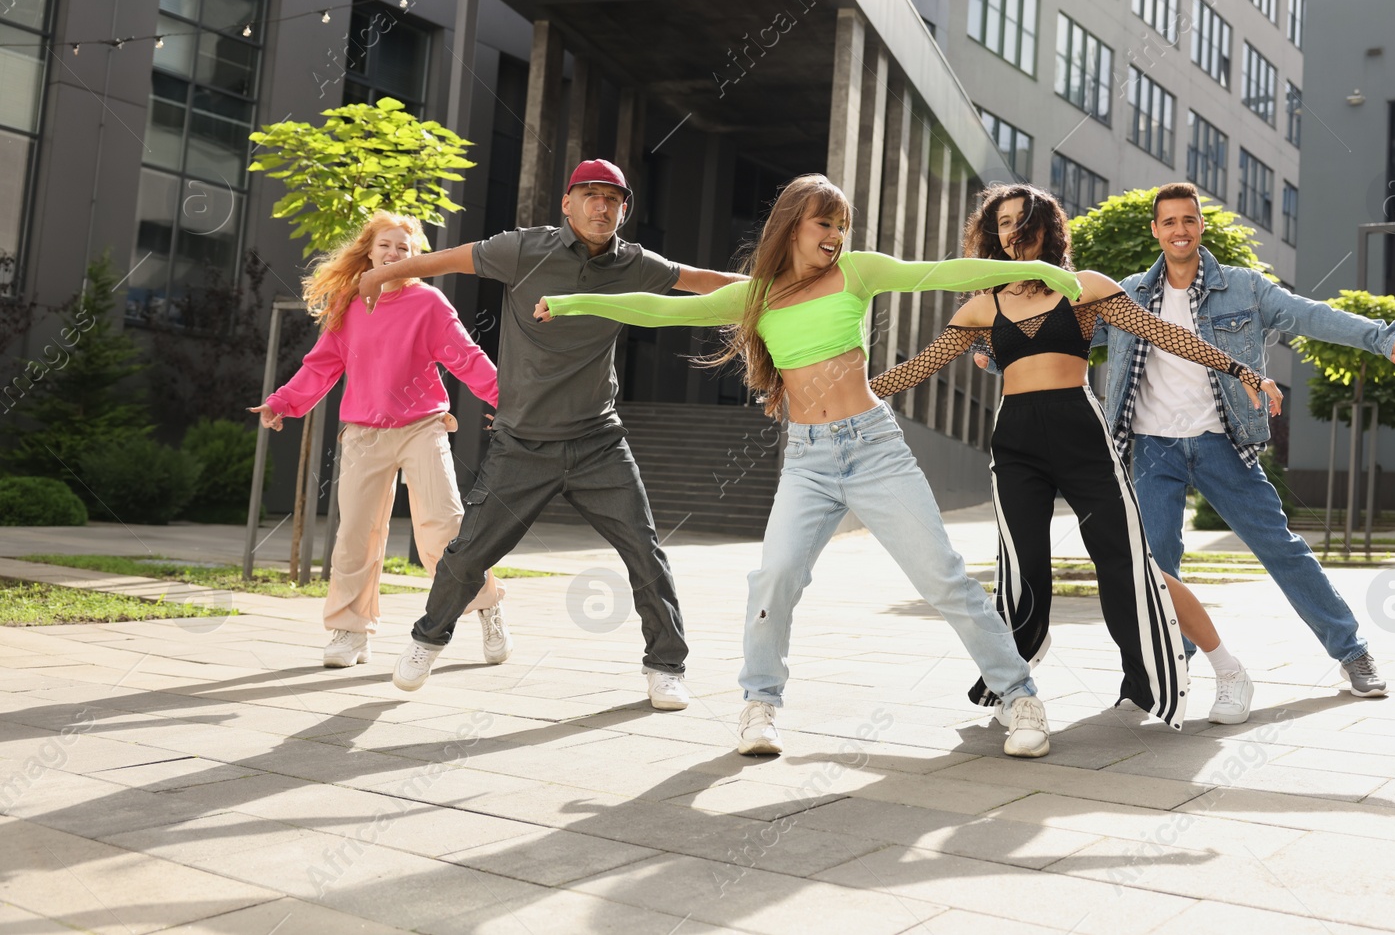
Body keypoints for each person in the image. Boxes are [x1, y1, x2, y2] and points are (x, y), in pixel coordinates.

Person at [536, 174, 1089, 760]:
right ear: (793, 225)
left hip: (874, 449)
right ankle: (760, 705)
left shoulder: (859, 272)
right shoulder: (757, 295)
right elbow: (657, 309)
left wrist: (1047, 274)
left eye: (842, 225)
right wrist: (573, 302)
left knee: (943, 579)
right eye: (824, 223)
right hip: (808, 459)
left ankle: (1018, 694)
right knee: (774, 579)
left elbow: (945, 272)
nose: (835, 235)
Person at [870, 184, 1279, 727]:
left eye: (1023, 219)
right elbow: (915, 369)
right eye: (1004, 222)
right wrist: (831, 397)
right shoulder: (981, 305)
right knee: (1021, 571)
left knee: (1130, 561)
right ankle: (1017, 687)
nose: (1014, 231)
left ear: (1047, 227)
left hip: (1081, 434)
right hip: (1016, 442)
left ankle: (1227, 670)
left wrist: (1242, 370)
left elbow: (1168, 335)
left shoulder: (1084, 289)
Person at [354, 160, 745, 707]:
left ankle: (666, 666)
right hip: (521, 443)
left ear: (624, 209)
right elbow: (456, 259)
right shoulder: (525, 249)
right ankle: (426, 639)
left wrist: (783, 286)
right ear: (568, 203)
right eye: (590, 195)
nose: (601, 206)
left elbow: (703, 283)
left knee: (644, 552)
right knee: (466, 554)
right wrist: (379, 274)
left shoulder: (633, 264)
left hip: (597, 442)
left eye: (613, 198)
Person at [1099, 182, 1395, 698]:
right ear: (1155, 230)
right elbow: (1062, 332)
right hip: (1152, 446)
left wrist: (1380, 337)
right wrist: (994, 349)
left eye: (1188, 219)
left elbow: (1313, 314)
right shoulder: (1128, 293)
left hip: (1220, 441)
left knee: (1281, 548)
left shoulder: (1244, 287)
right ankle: (1165, 667)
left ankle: (1352, 652)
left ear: (1200, 224)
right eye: (1169, 222)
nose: (1180, 230)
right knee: (1157, 565)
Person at [251, 211, 508, 669]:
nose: (394, 254)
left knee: (443, 526)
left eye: (404, 249)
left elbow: (467, 358)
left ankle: (487, 605)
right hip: (364, 434)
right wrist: (283, 403)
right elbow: (321, 365)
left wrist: (508, 401)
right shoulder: (349, 305)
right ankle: (350, 632)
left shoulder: (428, 304)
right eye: (386, 245)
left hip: (421, 427)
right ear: (369, 250)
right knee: (355, 534)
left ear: (415, 258)